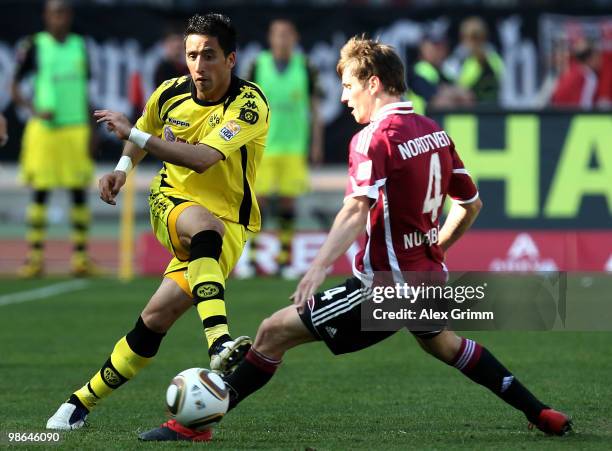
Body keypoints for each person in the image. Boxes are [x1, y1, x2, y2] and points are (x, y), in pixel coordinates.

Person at [138, 36, 571, 442]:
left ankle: (196, 422)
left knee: (271, 332)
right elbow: (470, 204)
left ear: (373, 83)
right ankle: (539, 411)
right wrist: (432, 248)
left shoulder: (373, 138)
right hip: (428, 279)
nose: (344, 98)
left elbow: (355, 208)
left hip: (385, 289)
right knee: (446, 345)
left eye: (348, 86)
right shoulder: (434, 132)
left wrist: (318, 266)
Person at [46, 13, 269, 431]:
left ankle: (78, 403)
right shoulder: (170, 94)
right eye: (191, 55)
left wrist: (139, 136)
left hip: (231, 224)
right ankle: (219, 342)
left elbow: (202, 159)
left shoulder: (250, 105)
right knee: (205, 227)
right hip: (172, 203)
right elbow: (142, 133)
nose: (198, 66)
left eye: (209, 56)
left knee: (153, 322)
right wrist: (122, 168)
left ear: (231, 59)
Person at [11, 0, 95, 277]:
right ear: (46, 16)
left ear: (69, 16)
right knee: (41, 191)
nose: (58, 18)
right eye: (53, 13)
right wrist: (34, 110)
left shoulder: (80, 46)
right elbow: (13, 87)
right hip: (45, 130)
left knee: (79, 192)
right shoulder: (33, 45)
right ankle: (35, 258)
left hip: (76, 128)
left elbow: (84, 88)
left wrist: (92, 128)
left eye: (63, 12)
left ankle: (80, 258)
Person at [240, 18, 324, 279]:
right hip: (263, 145)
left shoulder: (305, 67)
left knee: (288, 202)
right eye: (278, 34)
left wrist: (316, 143)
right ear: (270, 38)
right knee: (259, 201)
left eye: (287, 34)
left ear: (295, 37)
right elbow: (244, 105)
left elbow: (314, 108)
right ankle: (252, 259)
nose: (282, 39)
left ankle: (285, 259)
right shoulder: (258, 65)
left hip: (294, 146)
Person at [448, 17, 504, 104]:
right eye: (471, 37)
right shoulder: (457, 58)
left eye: (477, 37)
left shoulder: (493, 59)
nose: (474, 42)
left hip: (490, 109)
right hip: (461, 110)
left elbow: (501, 81)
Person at [551, 39, 601, 109]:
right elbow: (586, 105)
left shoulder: (568, 70)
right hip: (573, 115)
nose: (600, 60)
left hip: (558, 113)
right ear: (589, 58)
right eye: (597, 56)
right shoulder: (589, 76)